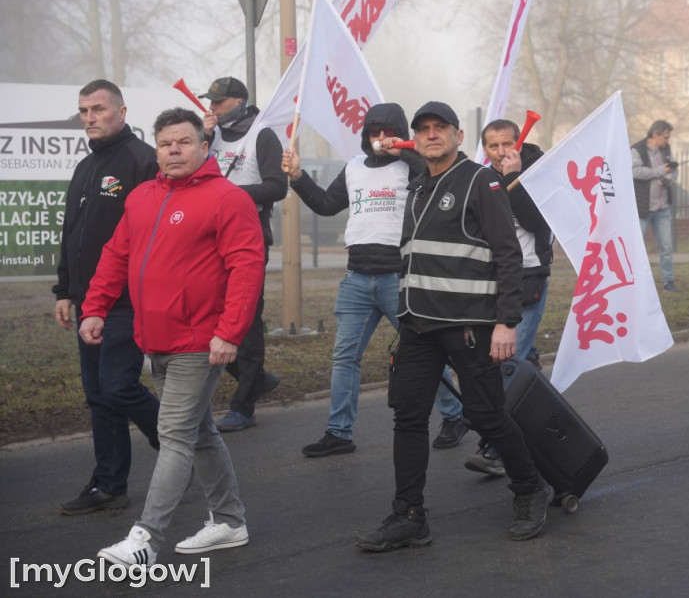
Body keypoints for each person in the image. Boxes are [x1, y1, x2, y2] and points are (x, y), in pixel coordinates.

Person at [355, 102, 550, 552]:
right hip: (418, 327)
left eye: (439, 128)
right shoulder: (420, 185)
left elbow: (508, 253)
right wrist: (404, 317)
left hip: (470, 326)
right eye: (422, 130)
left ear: (458, 135)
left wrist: (506, 322)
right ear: (416, 140)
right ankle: (409, 516)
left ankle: (529, 488)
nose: (430, 135)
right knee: (407, 417)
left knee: (486, 415)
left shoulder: (481, 181)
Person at [82, 108, 264, 567]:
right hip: (154, 340)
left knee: (176, 434)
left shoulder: (228, 198)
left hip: (200, 342)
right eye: (166, 144)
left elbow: (247, 268)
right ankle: (229, 520)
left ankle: (145, 538)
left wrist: (229, 333)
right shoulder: (142, 196)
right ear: (157, 150)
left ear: (205, 147)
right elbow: (116, 256)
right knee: (200, 432)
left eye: (184, 142)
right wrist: (95, 307)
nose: (174, 151)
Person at [280, 103, 466, 458]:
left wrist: (406, 152)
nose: (380, 139)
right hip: (356, 279)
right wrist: (299, 177)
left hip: (399, 278)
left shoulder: (414, 167)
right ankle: (339, 431)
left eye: (388, 132)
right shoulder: (353, 168)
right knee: (345, 356)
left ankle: (454, 416)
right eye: (373, 133)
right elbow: (324, 204)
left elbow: (439, 182)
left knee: (426, 351)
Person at [53, 80, 162, 516]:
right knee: (99, 395)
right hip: (87, 303)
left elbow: (153, 236)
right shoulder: (85, 167)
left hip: (127, 303)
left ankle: (179, 446)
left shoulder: (142, 161)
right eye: (83, 111)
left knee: (118, 387)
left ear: (121, 111)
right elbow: (71, 236)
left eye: (98, 109)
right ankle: (110, 485)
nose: (90, 118)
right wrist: (65, 291)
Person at [463, 118, 553, 478]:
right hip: (493, 282)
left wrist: (514, 178)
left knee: (507, 363)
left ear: (519, 142)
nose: (501, 152)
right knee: (518, 364)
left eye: (506, 144)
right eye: (493, 147)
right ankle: (541, 431)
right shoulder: (481, 178)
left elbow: (536, 222)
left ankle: (497, 448)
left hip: (528, 277)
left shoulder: (538, 173)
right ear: (485, 150)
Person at [198, 77, 287, 432]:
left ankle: (244, 406)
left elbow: (277, 186)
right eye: (211, 101)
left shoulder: (263, 134)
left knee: (247, 323)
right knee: (207, 317)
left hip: (247, 239)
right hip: (207, 239)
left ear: (240, 101)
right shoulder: (210, 134)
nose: (213, 107)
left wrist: (228, 196)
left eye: (219, 102)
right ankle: (257, 379)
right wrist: (204, 139)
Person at [632, 120, 678, 291]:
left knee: (666, 247)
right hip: (642, 208)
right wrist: (660, 172)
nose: (667, 140)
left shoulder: (666, 149)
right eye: (665, 137)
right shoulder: (637, 150)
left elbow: (673, 170)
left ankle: (669, 281)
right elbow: (635, 171)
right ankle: (636, 283)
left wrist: (670, 177)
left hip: (663, 208)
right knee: (637, 248)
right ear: (655, 134)